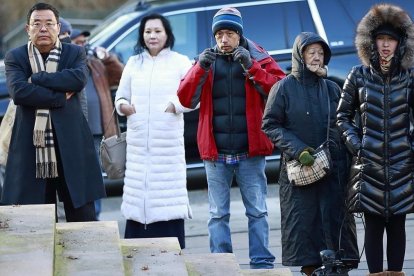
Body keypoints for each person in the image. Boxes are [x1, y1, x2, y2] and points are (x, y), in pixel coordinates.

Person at [177, 7, 285, 269]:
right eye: (219, 34)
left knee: (257, 211)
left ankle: (261, 263)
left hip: (251, 151)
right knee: (217, 214)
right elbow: (184, 97)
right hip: (216, 153)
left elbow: (280, 92)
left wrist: (252, 67)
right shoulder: (205, 60)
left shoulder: (258, 56)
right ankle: (221, 264)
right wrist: (200, 67)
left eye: (229, 34)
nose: (223, 40)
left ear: (239, 34)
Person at [261, 32, 359, 275]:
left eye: (321, 53)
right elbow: (270, 124)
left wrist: (350, 163)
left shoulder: (332, 88)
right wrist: (298, 150)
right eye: (311, 52)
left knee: (336, 229)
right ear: (299, 55)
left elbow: (344, 123)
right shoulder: (283, 88)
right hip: (300, 173)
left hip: (333, 171)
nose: (317, 57)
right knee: (306, 231)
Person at [1, 2, 106, 222]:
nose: (43, 29)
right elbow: (19, 92)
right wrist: (59, 97)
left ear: (58, 27)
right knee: (36, 219)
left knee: (83, 218)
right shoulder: (16, 57)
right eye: (36, 23)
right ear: (27, 29)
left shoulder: (75, 52)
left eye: (49, 23)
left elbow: (77, 79)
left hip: (73, 146)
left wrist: (37, 79)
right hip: (32, 148)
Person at [336, 4, 414, 276]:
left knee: (397, 224)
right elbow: (342, 117)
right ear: (372, 42)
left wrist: (410, 145)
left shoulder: (409, 77)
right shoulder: (358, 75)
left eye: (390, 40)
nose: (385, 45)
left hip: (402, 163)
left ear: (399, 43)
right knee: (373, 223)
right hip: (368, 163)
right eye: (381, 39)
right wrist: (357, 146)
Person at [114, 13, 192, 249]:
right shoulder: (133, 63)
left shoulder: (180, 62)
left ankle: (171, 249)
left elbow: (194, 97)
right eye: (148, 31)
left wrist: (174, 106)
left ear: (167, 34)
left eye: (157, 31)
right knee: (138, 198)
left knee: (167, 196)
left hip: (167, 144)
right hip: (138, 144)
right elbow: (120, 96)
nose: (152, 36)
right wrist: (123, 107)